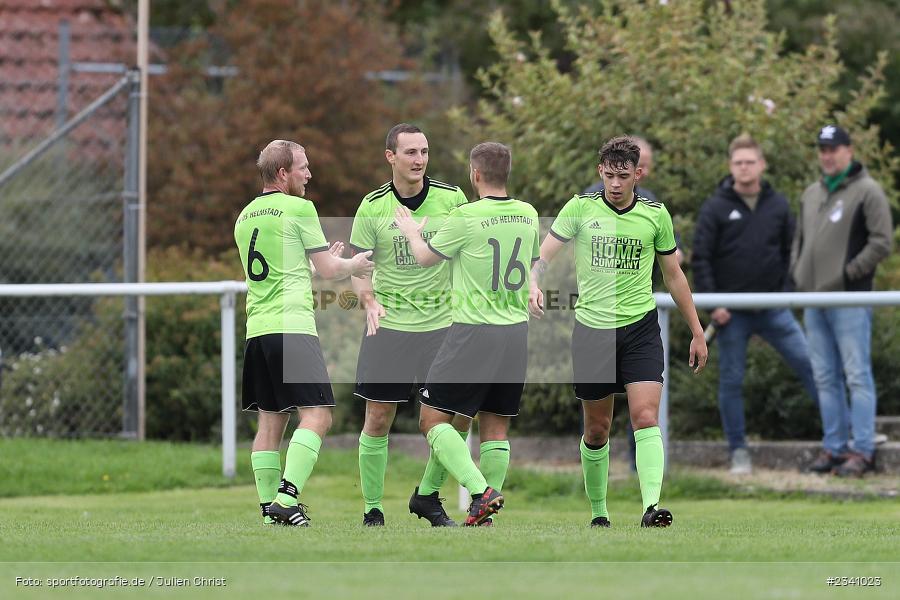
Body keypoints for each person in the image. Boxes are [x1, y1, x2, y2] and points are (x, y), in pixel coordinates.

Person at [531, 136, 708, 528]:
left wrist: (697, 330)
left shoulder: (655, 214)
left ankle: (651, 508)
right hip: (593, 332)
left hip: (640, 329)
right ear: (600, 171)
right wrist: (533, 282)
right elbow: (543, 255)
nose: (614, 183)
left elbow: (674, 275)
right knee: (597, 430)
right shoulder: (580, 208)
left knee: (645, 416)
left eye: (623, 176)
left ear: (637, 174)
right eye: (609, 175)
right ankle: (599, 512)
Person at [394, 141, 539, 526]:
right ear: (507, 173)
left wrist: (411, 232)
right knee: (495, 425)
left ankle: (481, 492)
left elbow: (425, 259)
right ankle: (471, 512)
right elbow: (532, 264)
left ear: (475, 174)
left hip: (474, 332)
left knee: (431, 420)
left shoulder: (466, 216)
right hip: (515, 333)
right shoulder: (528, 214)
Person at [235, 140, 374, 526]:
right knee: (319, 416)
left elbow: (282, 270)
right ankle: (286, 498)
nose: (309, 174)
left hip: (258, 331)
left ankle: (269, 514)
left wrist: (319, 263)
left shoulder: (245, 216)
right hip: (291, 327)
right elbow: (330, 270)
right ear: (283, 173)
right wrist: (355, 264)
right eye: (303, 167)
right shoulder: (299, 208)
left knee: (270, 423)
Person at [349, 124, 471, 527]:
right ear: (391, 156)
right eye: (411, 152)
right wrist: (369, 301)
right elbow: (359, 269)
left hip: (443, 325)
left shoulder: (452, 199)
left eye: (424, 151)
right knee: (377, 418)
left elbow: (469, 254)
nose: (420, 160)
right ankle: (373, 509)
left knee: (452, 418)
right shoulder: (372, 206)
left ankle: (428, 497)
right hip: (390, 326)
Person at [692, 134, 819, 475]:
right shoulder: (715, 207)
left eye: (750, 162)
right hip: (730, 314)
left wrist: (785, 294)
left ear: (762, 165)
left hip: (775, 309)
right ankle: (738, 452)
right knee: (732, 381)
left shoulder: (778, 205)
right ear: (730, 166)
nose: (744, 168)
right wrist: (713, 306)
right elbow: (701, 259)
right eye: (738, 163)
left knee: (811, 364)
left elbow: (792, 252)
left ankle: (843, 438)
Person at [792, 125, 893, 477]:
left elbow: (882, 242)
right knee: (824, 377)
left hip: (850, 299)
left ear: (849, 150)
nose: (827, 155)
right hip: (814, 299)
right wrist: (797, 273)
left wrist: (849, 274)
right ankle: (834, 448)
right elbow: (799, 240)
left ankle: (862, 449)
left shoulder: (868, 191)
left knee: (856, 375)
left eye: (833, 148)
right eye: (822, 149)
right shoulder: (811, 193)